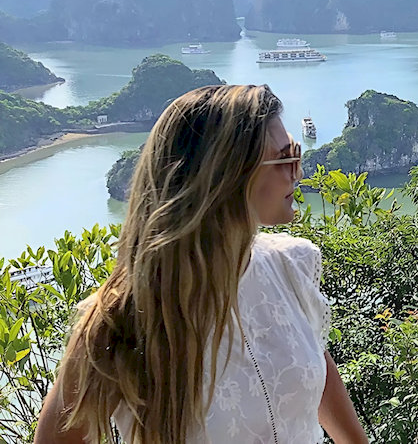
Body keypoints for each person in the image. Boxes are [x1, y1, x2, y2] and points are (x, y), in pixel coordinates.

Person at [34, 84, 368, 443]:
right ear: (227, 175)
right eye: (284, 158)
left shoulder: (291, 266)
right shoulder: (125, 317)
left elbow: (315, 372)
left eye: (296, 154)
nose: (297, 173)